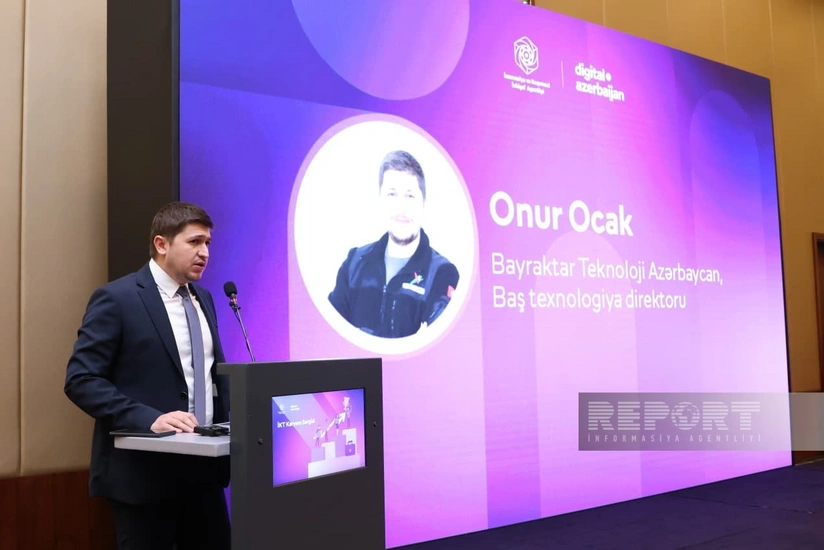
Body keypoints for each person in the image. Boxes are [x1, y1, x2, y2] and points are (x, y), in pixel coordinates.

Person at [64, 202, 231, 549]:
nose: (204, 252)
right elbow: (81, 380)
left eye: (208, 243)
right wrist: (149, 418)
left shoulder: (204, 298)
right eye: (194, 242)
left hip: (204, 477)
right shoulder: (117, 298)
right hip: (145, 477)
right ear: (161, 244)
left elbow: (209, 376)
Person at [328, 150, 459, 338]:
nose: (401, 208)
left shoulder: (442, 273)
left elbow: (438, 345)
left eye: (410, 196)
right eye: (392, 194)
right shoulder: (354, 262)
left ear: (424, 202)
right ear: (380, 199)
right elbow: (328, 335)